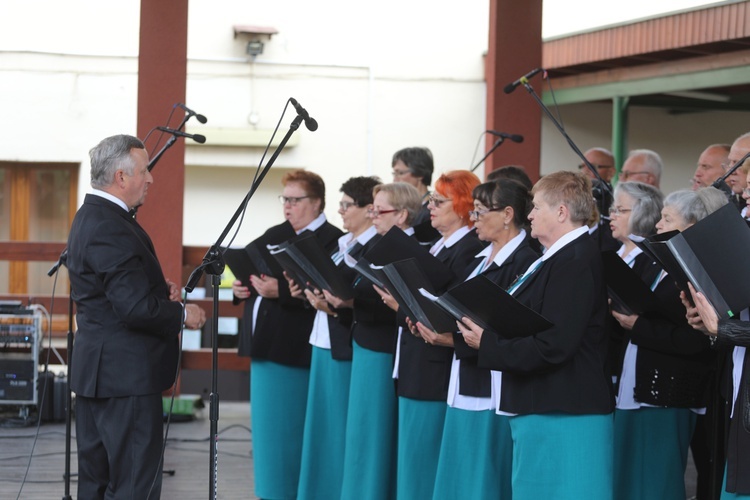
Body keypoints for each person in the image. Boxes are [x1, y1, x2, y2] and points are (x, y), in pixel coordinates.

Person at [458, 171, 614, 500]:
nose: (528, 215)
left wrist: (489, 344)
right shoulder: (557, 258)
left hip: (564, 411)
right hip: (546, 406)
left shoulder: (574, 260)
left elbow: (555, 344)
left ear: (561, 212)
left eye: (537, 207)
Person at [67, 134, 206, 499]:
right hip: (124, 377)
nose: (151, 178)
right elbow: (133, 309)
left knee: (95, 485)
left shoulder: (91, 216)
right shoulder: (111, 225)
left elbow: (112, 294)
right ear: (121, 177)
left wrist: (160, 292)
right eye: (144, 171)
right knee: (133, 486)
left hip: (99, 373)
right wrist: (182, 314)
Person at [422, 178, 539, 500]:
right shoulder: (477, 259)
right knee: (460, 465)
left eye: (480, 211)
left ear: (507, 214)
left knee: (485, 470)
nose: (473, 218)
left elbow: (511, 327)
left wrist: (452, 340)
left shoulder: (526, 263)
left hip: (494, 384)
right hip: (465, 376)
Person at [232, 169, 343, 500]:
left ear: (318, 202)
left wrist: (278, 289)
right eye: (285, 199)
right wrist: (241, 289)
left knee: (293, 430)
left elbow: (330, 291)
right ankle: (271, 490)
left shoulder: (332, 240)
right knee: (268, 433)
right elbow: (252, 271)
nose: (288, 207)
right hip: (265, 344)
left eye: (296, 200)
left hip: (297, 348)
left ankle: (297, 491)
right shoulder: (275, 232)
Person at [608, 183, 716, 500]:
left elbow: (697, 341)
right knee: (626, 474)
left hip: (668, 388)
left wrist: (638, 325)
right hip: (635, 380)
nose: (658, 225)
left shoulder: (699, 270)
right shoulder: (656, 260)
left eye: (667, 219)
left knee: (657, 479)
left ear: (692, 226)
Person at [389, 170, 484, 499]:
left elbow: (453, 308)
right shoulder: (436, 246)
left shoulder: (469, 250)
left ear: (462, 205)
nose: (430, 206)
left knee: (425, 458)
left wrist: (406, 305)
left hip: (437, 365)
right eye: (430, 199)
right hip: (418, 357)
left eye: (439, 201)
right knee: (414, 458)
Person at [327, 182, 423, 500]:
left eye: (379, 210)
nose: (373, 215)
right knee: (364, 433)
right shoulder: (378, 246)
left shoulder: (407, 250)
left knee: (374, 433)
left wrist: (351, 301)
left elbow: (398, 304)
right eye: (372, 209)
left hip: (385, 347)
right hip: (368, 342)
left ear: (403, 215)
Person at [292, 176, 381, 500]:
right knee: (323, 427)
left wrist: (332, 304)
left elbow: (358, 298)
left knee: (341, 428)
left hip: (346, 342)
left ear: (369, 210)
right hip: (324, 338)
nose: (340, 211)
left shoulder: (373, 246)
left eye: (347, 205)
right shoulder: (346, 243)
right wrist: (309, 294)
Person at [391, 146, 436, 231]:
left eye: (400, 173)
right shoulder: (401, 207)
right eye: (394, 174)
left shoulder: (432, 210)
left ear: (420, 174)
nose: (395, 180)